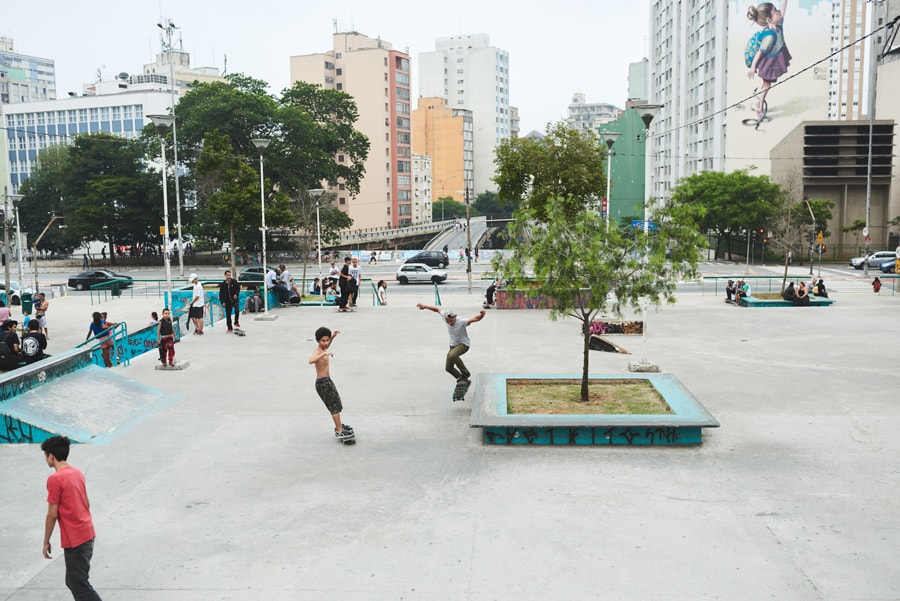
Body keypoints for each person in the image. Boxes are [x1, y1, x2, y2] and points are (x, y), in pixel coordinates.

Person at [40, 435, 104, 601]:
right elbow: (87, 503)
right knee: (73, 581)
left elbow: (52, 514)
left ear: (51, 457)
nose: (45, 459)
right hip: (87, 533)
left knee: (78, 584)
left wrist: (46, 540)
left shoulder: (55, 479)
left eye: (45, 456)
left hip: (76, 539)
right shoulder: (77, 473)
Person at [416, 303, 486, 387]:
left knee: (452, 355)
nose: (449, 323)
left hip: (463, 344)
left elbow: (475, 319)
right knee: (448, 368)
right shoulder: (445, 316)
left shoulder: (461, 321)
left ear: (454, 317)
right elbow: (437, 310)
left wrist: (482, 314)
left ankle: (465, 373)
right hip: (453, 345)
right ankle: (462, 379)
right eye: (447, 321)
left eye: (451, 321)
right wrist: (425, 307)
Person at [308, 327, 354, 441]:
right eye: (323, 341)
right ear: (318, 341)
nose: (326, 343)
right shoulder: (318, 352)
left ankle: (339, 426)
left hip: (328, 381)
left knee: (337, 405)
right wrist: (323, 355)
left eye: (327, 340)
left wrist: (333, 337)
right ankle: (339, 431)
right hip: (322, 383)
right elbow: (310, 360)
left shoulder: (324, 348)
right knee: (334, 407)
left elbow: (327, 347)